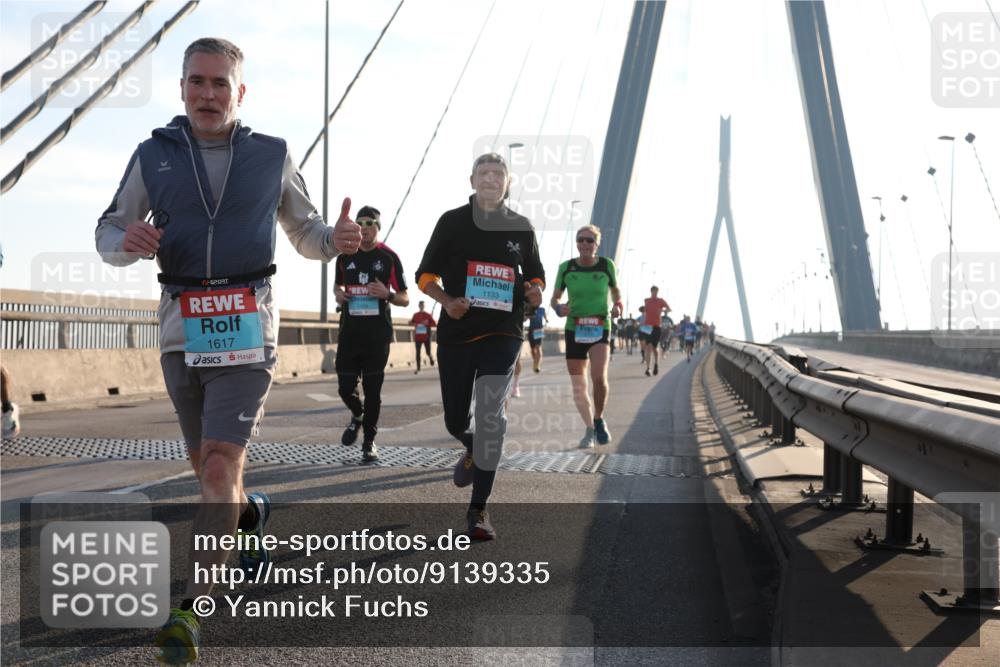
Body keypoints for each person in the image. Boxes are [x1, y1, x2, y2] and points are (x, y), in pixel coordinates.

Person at [95, 38, 362, 666]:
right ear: (183, 88)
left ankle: (193, 610)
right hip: (180, 328)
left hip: (247, 326)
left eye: (221, 84)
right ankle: (249, 514)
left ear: (240, 92)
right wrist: (125, 238)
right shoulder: (153, 154)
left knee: (219, 467)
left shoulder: (271, 155)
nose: (208, 94)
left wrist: (340, 241)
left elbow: (308, 232)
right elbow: (108, 229)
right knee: (211, 472)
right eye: (197, 82)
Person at [415, 152, 544, 540]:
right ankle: (469, 446)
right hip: (457, 333)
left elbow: (535, 276)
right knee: (456, 419)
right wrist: (447, 301)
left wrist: (535, 291)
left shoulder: (521, 227)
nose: (490, 179)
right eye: (483, 173)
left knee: (491, 419)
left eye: (497, 174)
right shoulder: (452, 222)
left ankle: (479, 510)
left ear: (507, 183)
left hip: (504, 333)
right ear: (472, 181)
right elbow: (424, 276)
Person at [333, 205, 408, 462]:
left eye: (369, 223)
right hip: (350, 333)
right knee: (345, 388)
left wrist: (387, 294)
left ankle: (369, 441)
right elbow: (337, 285)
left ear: (378, 227)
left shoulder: (389, 258)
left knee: (373, 390)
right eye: (360, 223)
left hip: (377, 336)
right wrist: (339, 294)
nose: (364, 228)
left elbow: (405, 298)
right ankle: (358, 414)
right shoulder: (344, 257)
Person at [550, 224, 622, 448]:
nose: (584, 244)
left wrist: (618, 304)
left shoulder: (606, 265)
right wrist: (558, 308)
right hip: (574, 327)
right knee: (579, 385)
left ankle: (599, 418)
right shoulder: (566, 268)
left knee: (599, 377)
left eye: (589, 240)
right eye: (580, 240)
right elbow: (554, 298)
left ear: (597, 244)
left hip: (600, 325)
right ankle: (590, 428)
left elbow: (616, 290)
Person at [642, 286, 671, 376]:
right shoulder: (646, 300)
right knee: (648, 347)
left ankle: (656, 364)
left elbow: (669, 309)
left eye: (656, 292)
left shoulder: (660, 301)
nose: (655, 293)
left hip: (657, 326)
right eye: (654, 292)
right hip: (647, 326)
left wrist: (661, 310)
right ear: (651, 291)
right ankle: (648, 368)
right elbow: (645, 310)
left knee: (654, 348)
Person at [409, 300, 436, 373]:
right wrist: (412, 323)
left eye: (423, 305)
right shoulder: (415, 315)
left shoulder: (428, 315)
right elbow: (411, 322)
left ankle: (431, 358)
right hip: (418, 337)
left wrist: (427, 323)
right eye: (420, 305)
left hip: (426, 337)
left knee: (428, 352)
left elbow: (434, 324)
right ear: (419, 306)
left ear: (424, 306)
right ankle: (418, 368)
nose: (422, 306)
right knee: (418, 352)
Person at [526, 305, 547, 372]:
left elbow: (546, 318)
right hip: (531, 329)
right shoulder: (530, 308)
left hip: (539, 330)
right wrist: (529, 316)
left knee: (538, 347)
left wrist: (546, 321)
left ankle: (537, 365)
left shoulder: (542, 309)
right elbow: (526, 317)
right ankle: (535, 361)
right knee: (532, 349)